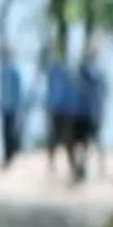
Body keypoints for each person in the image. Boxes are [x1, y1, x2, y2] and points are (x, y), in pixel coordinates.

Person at [43, 47, 80, 176]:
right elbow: (51, 92)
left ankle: (72, 166)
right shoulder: (52, 72)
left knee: (68, 140)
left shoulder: (68, 72)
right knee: (53, 138)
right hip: (56, 110)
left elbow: (72, 92)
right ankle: (51, 165)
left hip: (65, 110)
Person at [0, 46, 27, 167]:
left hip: (13, 107)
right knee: (4, 132)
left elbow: (19, 90)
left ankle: (10, 156)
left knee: (11, 132)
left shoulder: (15, 71)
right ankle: (6, 157)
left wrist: (19, 107)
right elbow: (1, 90)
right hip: (4, 107)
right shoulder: (2, 70)